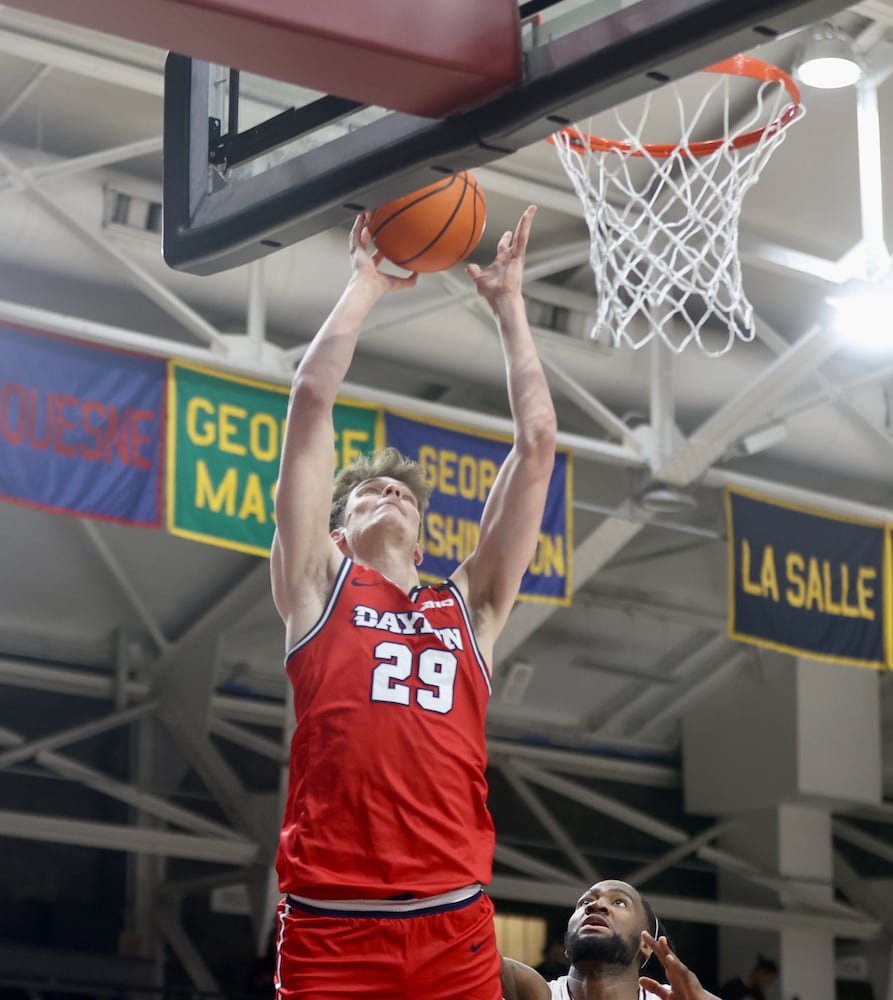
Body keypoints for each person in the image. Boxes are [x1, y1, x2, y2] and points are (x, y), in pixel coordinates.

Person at [269, 204, 557, 999]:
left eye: (401, 491)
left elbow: (536, 446)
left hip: (452, 918)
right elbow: (309, 403)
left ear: (425, 543)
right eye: (364, 493)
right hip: (331, 921)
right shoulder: (315, 586)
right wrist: (365, 284)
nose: (388, 490)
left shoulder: (468, 608)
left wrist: (510, 307)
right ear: (331, 533)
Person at [501, 879, 723, 1000]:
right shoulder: (531, 992)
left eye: (619, 902)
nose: (596, 906)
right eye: (585, 902)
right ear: (567, 945)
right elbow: (476, 953)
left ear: (646, 945)